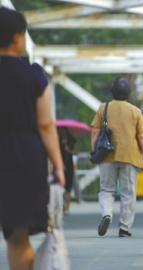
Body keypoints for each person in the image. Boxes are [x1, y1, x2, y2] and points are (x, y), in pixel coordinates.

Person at [0, 7, 65, 270]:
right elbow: (46, 125)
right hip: (23, 159)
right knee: (18, 236)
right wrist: (58, 165)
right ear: (18, 38)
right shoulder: (33, 75)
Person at [91, 77, 143, 237]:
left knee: (106, 189)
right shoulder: (135, 111)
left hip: (106, 155)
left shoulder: (104, 108)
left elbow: (95, 131)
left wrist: (94, 150)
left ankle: (106, 213)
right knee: (128, 193)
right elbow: (142, 137)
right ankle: (124, 227)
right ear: (128, 93)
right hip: (130, 156)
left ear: (112, 91)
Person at [57, 127, 76, 213]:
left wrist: (67, 148)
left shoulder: (71, 140)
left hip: (67, 165)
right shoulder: (57, 139)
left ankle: (66, 206)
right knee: (64, 187)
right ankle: (64, 206)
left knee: (67, 187)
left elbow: (74, 151)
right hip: (63, 165)